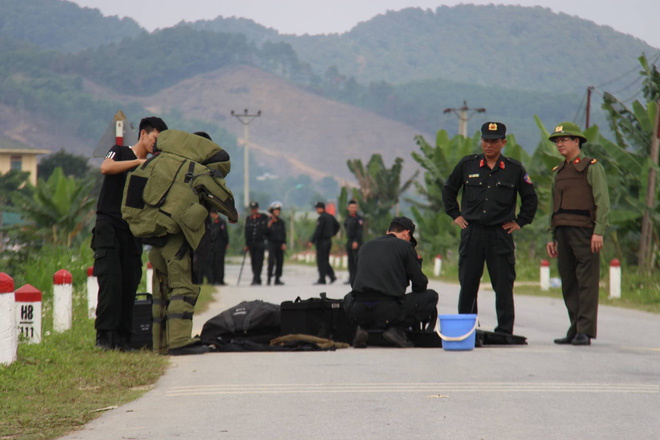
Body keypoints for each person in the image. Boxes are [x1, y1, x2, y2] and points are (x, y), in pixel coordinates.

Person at [442, 121, 538, 335]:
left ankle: (504, 330)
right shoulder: (468, 165)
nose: (489, 145)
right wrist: (455, 215)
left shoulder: (514, 169)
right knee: (468, 284)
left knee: (503, 284)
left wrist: (520, 222)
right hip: (472, 231)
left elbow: (530, 199)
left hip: (500, 233)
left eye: (494, 141)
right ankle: (466, 328)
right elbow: (449, 189)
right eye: (485, 140)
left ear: (503, 142)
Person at [93, 116, 168, 350]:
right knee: (110, 284)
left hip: (133, 230)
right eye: (155, 138)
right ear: (143, 134)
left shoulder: (154, 166)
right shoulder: (120, 151)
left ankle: (125, 339)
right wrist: (138, 163)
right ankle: (105, 337)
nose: (156, 143)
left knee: (129, 284)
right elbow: (106, 167)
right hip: (109, 227)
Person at [546, 122, 610, 346]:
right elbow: (553, 206)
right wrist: (552, 236)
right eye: (557, 141)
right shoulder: (559, 172)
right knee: (569, 282)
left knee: (586, 282)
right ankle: (574, 327)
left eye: (564, 140)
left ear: (577, 141)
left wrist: (598, 231)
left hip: (585, 231)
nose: (559, 144)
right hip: (562, 230)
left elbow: (602, 201)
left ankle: (585, 330)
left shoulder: (591, 167)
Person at [343, 216, 438, 348]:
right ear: (406, 233)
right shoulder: (405, 247)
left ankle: (362, 328)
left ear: (388, 232)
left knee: (348, 297)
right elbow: (420, 284)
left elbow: (354, 284)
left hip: (359, 310)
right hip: (389, 311)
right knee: (431, 296)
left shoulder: (366, 246)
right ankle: (395, 329)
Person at [309, 201, 339, 285]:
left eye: (317, 208)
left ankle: (322, 278)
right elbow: (337, 226)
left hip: (322, 242)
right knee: (325, 260)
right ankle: (331, 276)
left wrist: (312, 241)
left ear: (320, 208)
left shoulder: (322, 218)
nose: (316, 210)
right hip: (328, 241)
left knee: (321, 260)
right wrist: (332, 234)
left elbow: (318, 231)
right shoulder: (330, 216)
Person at [244, 201, 269, 285]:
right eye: (252, 209)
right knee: (253, 261)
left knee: (259, 261)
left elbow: (268, 226)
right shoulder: (248, 219)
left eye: (254, 209)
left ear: (257, 209)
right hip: (251, 243)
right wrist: (247, 244)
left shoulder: (263, 217)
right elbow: (246, 233)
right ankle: (256, 277)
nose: (253, 210)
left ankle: (256, 278)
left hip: (260, 243)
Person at [265, 201, 287, 285]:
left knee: (280, 261)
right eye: (275, 210)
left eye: (278, 210)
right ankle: (269, 278)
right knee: (271, 261)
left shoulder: (281, 222)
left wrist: (284, 243)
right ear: (272, 211)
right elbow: (264, 233)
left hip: (280, 244)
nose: (277, 212)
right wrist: (268, 226)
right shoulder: (268, 221)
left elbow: (283, 234)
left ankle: (277, 279)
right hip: (271, 244)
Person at [205, 210, 229, 285]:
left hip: (220, 245)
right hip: (213, 246)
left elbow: (224, 234)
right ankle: (213, 279)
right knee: (213, 262)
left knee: (219, 263)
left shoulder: (221, 222)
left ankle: (220, 280)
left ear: (213, 213)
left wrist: (227, 243)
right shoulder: (213, 222)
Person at [343, 200, 364, 284]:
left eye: (354, 207)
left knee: (356, 261)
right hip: (349, 240)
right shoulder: (347, 218)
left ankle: (357, 279)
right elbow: (345, 226)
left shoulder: (359, 218)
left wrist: (356, 241)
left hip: (356, 241)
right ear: (348, 208)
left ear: (356, 208)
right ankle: (351, 278)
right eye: (351, 207)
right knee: (350, 260)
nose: (353, 209)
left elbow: (359, 231)